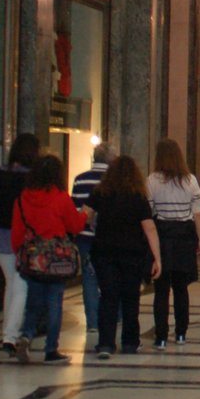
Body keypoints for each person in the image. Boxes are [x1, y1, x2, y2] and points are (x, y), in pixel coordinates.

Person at [9, 154, 86, 364]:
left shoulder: (23, 199)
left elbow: (16, 233)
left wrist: (21, 254)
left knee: (33, 303)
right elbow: (75, 226)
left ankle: (26, 335)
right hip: (56, 260)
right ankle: (51, 349)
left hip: (34, 259)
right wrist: (86, 214)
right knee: (54, 304)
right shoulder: (60, 198)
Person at [82, 155, 161, 358]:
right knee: (130, 297)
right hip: (132, 253)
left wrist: (91, 224)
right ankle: (129, 342)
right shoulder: (137, 196)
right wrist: (157, 257)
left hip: (104, 252)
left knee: (108, 297)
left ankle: (106, 344)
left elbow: (85, 213)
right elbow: (149, 228)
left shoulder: (101, 192)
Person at [147, 138, 200, 348]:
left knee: (161, 289)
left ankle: (161, 336)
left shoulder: (152, 181)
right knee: (181, 288)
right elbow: (197, 214)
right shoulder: (190, 181)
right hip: (184, 236)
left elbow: (150, 213)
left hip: (162, 235)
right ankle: (181, 333)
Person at [0, 133, 39, 357]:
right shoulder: (30, 178)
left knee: (11, 284)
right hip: (19, 236)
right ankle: (10, 336)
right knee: (21, 286)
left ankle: (7, 333)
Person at [68, 143, 112, 342]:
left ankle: (93, 323)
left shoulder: (80, 179)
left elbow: (77, 210)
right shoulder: (114, 181)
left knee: (89, 278)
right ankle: (114, 317)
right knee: (112, 278)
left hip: (85, 237)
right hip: (108, 238)